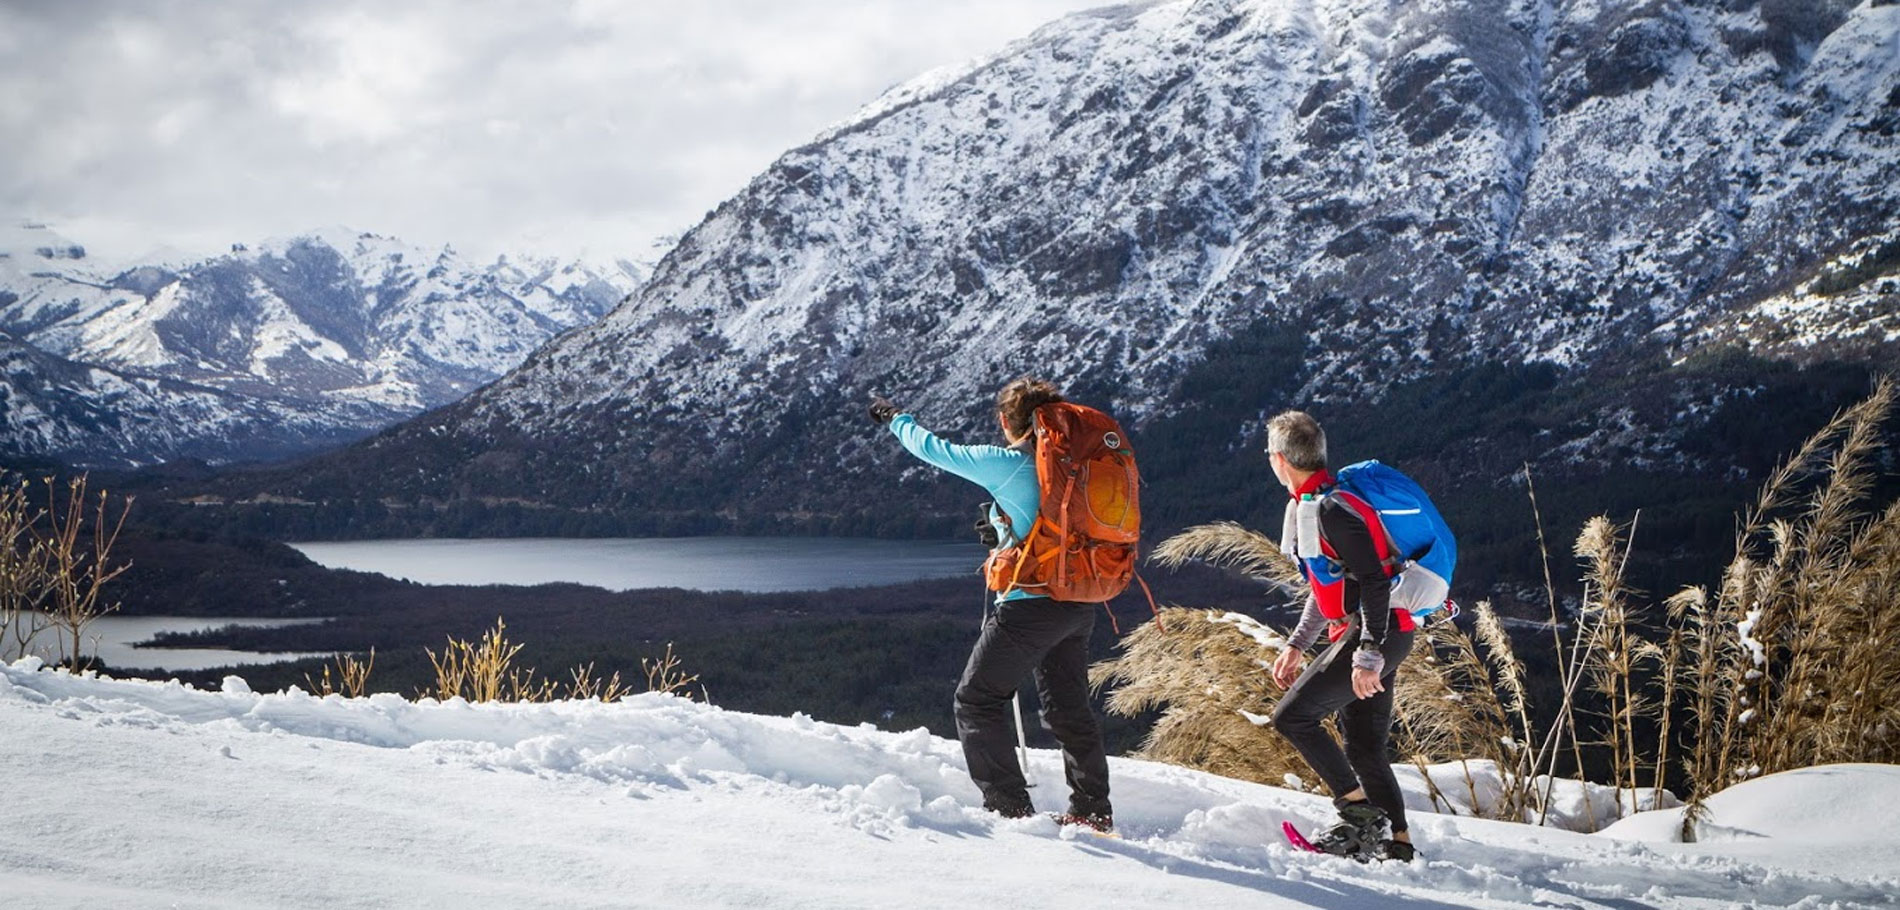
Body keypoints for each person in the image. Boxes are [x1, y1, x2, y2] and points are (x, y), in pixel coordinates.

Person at [867, 378, 1114, 831]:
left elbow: (933, 449)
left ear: (1006, 422)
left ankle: (1010, 810)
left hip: (1029, 605)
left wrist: (894, 419)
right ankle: (1093, 810)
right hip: (1078, 601)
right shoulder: (1077, 466)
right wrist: (1001, 532)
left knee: (976, 701)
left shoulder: (1007, 463)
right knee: (1068, 708)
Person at [1264, 410, 1446, 863]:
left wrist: (1367, 654)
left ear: (1279, 460)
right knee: (1365, 748)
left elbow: (1373, 580)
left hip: (1376, 636)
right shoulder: (1316, 503)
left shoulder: (1330, 510)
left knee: (1292, 718)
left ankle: (1358, 814)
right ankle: (1398, 844)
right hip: (1383, 633)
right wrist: (1297, 643)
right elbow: (1329, 586)